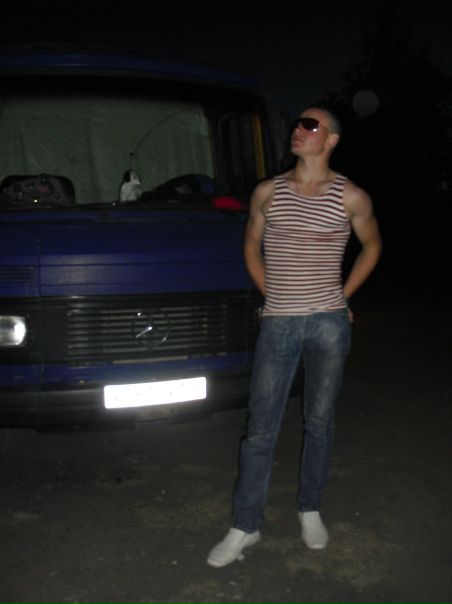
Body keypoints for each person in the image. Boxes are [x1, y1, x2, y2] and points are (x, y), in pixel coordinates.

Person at [207, 106, 382, 568]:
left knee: (319, 421)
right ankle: (245, 525)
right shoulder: (268, 191)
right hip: (278, 322)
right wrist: (274, 295)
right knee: (260, 428)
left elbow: (373, 246)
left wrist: (343, 296)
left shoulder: (351, 196)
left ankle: (310, 508)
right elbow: (251, 245)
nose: (298, 131)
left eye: (310, 125)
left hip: (328, 323)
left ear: (332, 140)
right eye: (297, 124)